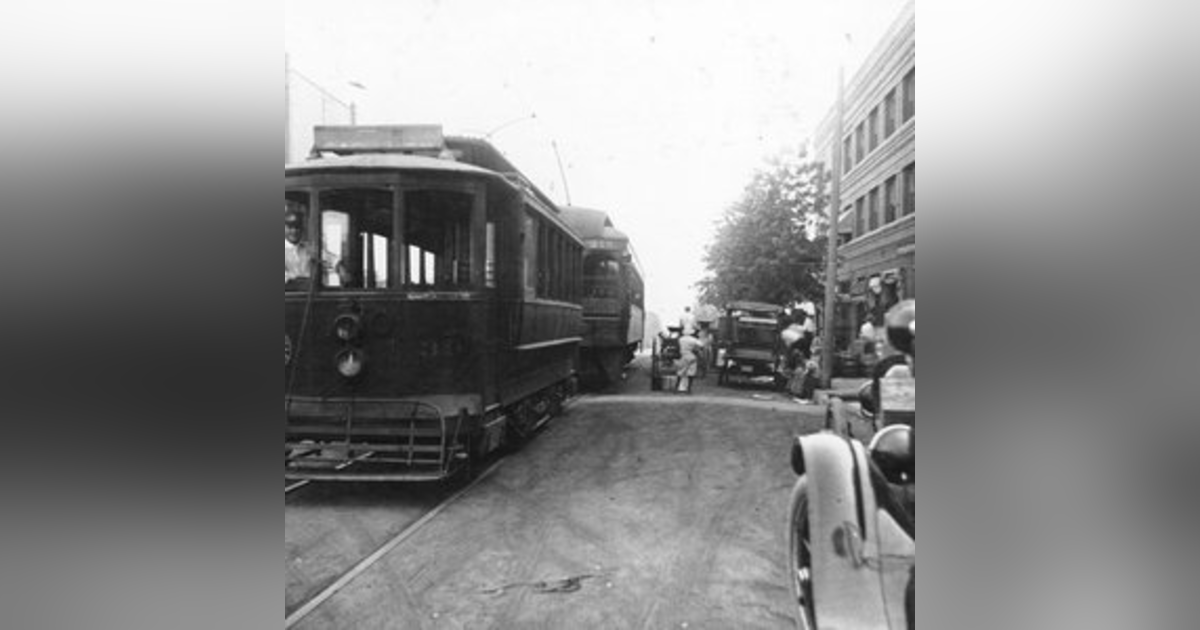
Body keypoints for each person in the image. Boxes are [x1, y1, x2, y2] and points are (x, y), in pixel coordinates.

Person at [675, 330, 703, 394]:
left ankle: (676, 388)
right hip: (691, 356)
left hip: (683, 356)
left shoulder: (680, 339)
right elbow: (701, 345)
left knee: (680, 371)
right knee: (691, 373)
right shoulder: (693, 340)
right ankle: (689, 389)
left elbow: (677, 347)